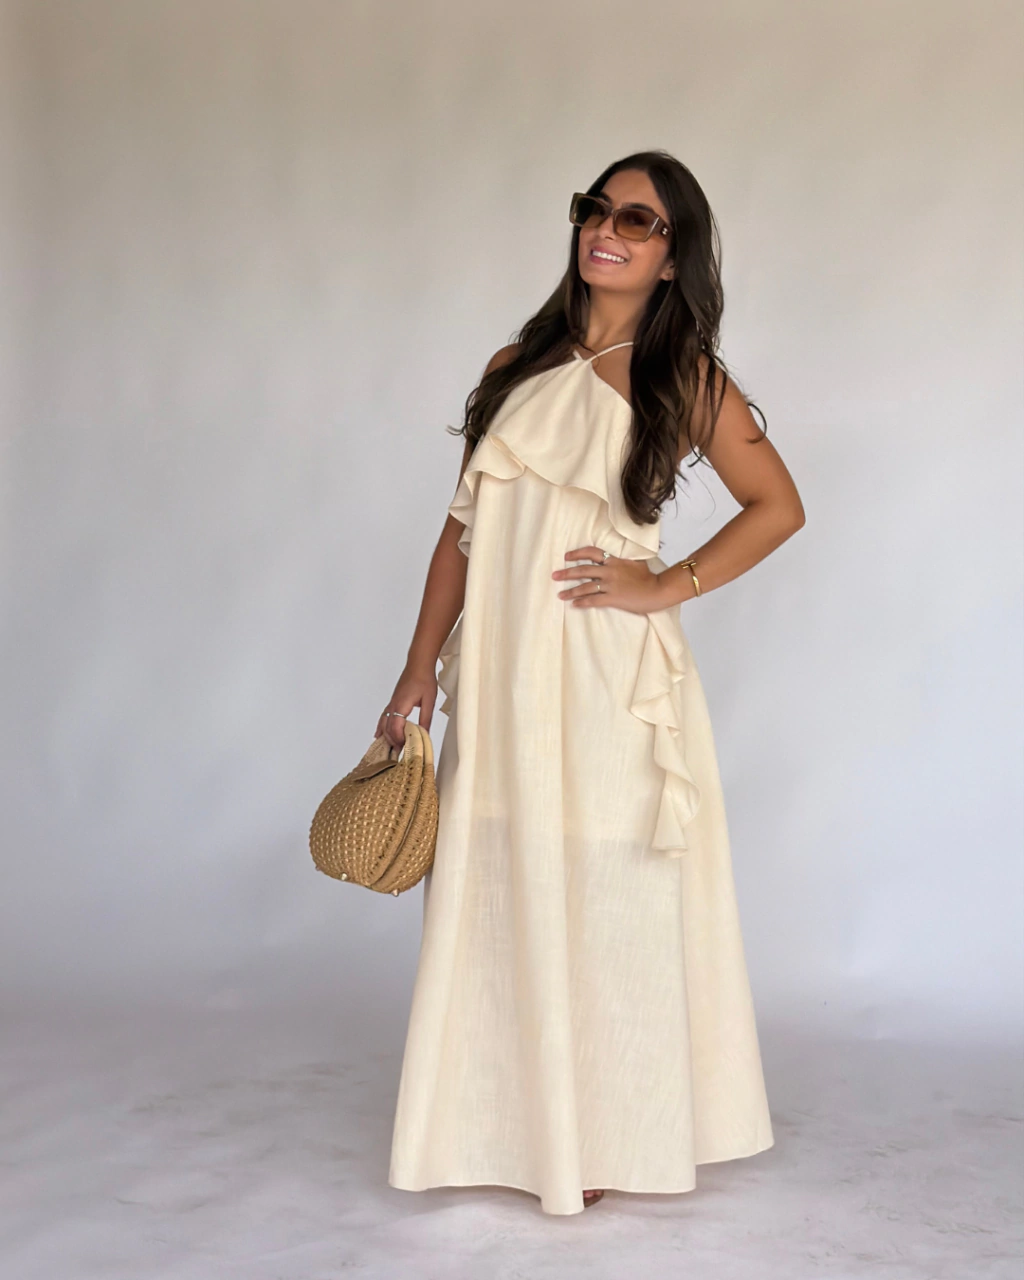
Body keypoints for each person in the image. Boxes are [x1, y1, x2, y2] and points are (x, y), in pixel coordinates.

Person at [382, 150, 805, 1216]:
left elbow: (778, 505)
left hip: (607, 674)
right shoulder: (515, 363)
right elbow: (458, 539)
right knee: (499, 875)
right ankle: (500, 1119)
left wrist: (662, 583)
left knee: (607, 890)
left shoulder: (685, 376)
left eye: (636, 220)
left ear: (672, 255)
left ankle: (612, 1125)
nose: (606, 230)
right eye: (595, 209)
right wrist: (417, 669)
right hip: (500, 670)